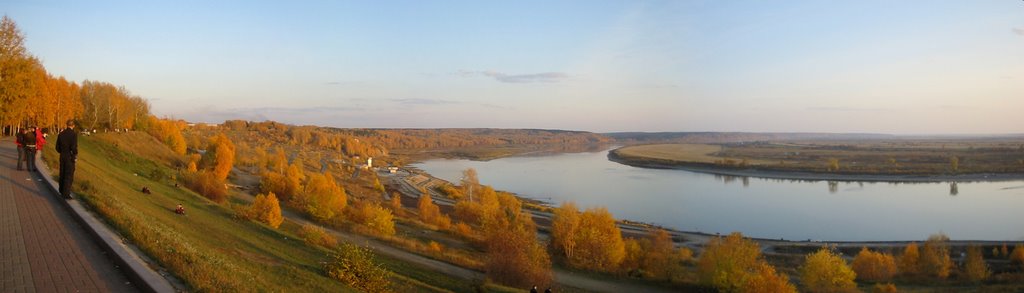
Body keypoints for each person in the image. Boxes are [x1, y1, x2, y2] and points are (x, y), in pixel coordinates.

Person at [56, 120, 77, 199]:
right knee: (69, 174)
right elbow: (74, 147)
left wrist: (61, 151)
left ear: (66, 125)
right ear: (73, 125)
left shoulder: (61, 134)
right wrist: (75, 155)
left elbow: (57, 147)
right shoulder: (73, 135)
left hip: (62, 155)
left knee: (62, 173)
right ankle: (66, 193)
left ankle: (61, 189)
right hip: (69, 156)